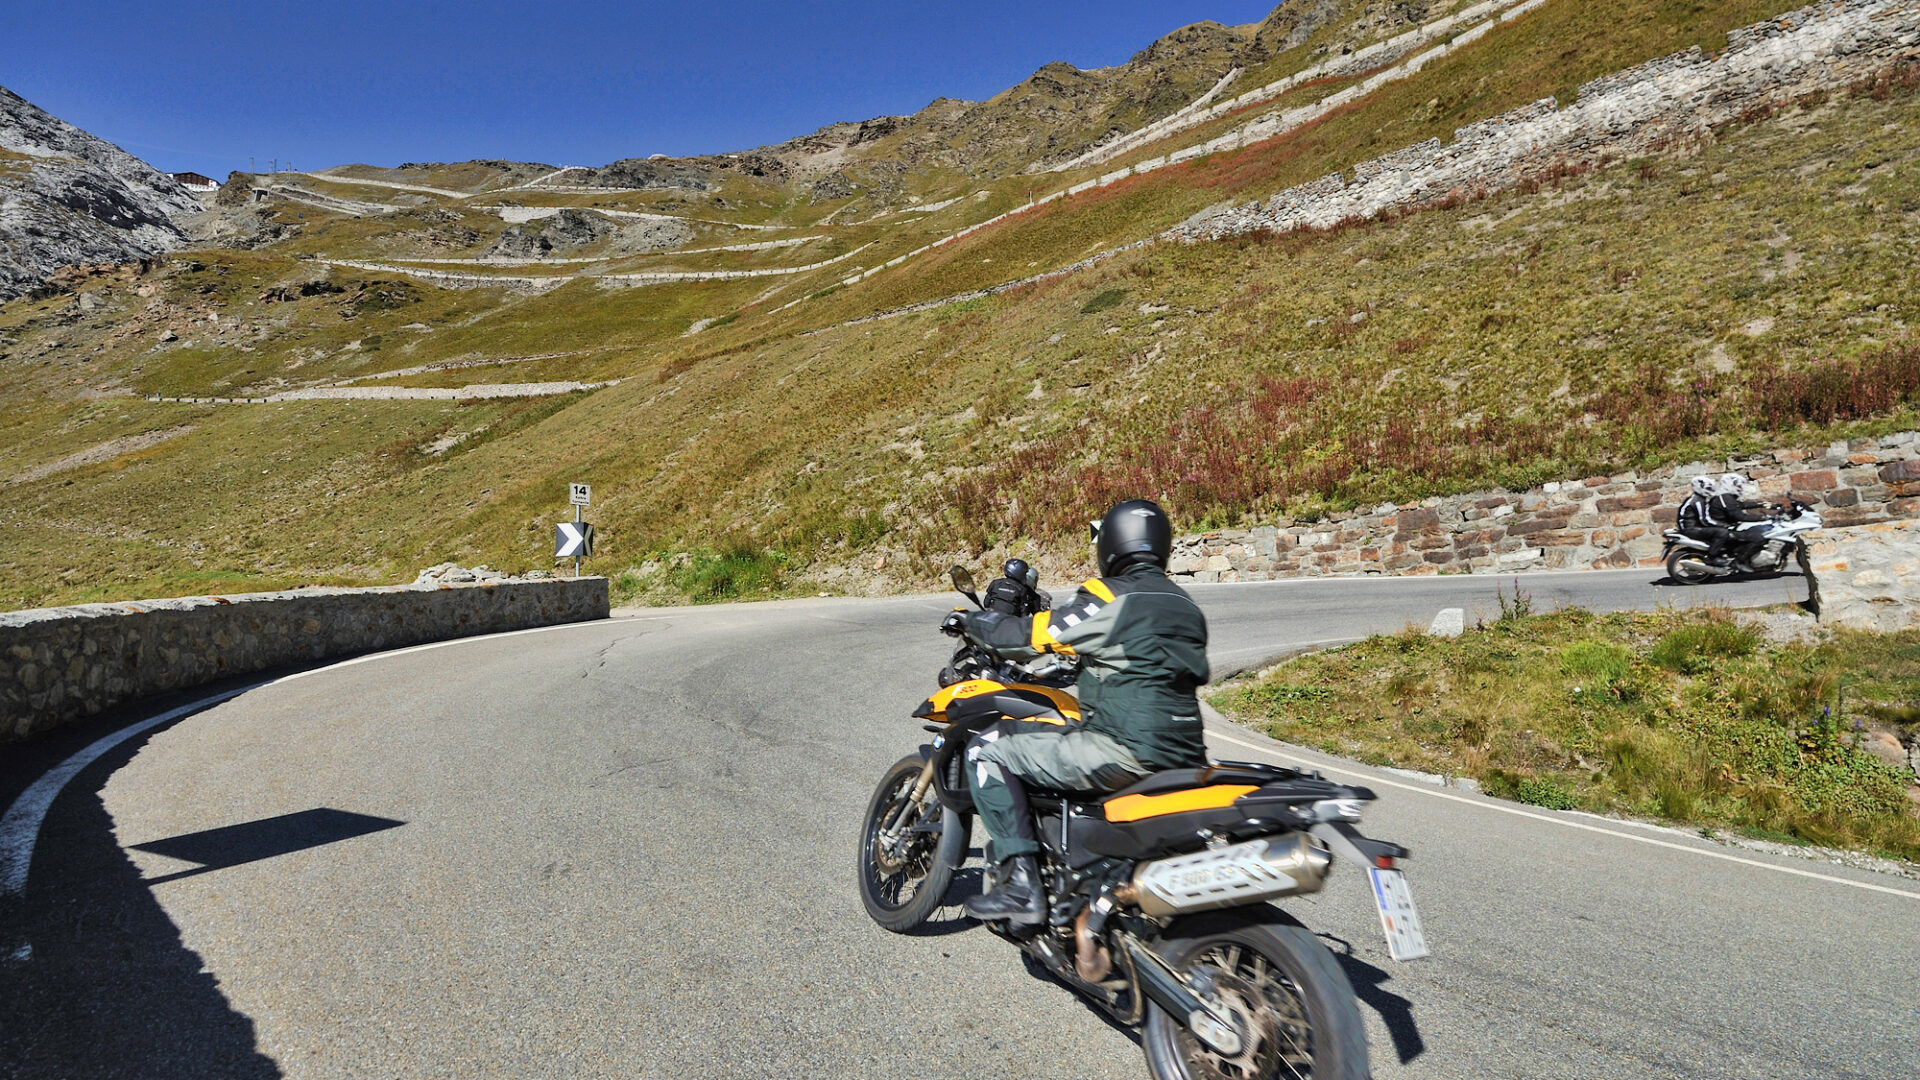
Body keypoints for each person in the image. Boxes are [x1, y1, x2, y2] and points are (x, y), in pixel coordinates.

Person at [946, 498, 1211, 925]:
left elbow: (1029, 634)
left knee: (987, 749)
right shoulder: (1184, 605)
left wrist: (972, 622)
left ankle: (1020, 885)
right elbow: (1137, 667)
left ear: (1111, 545)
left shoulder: (1110, 595)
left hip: (1120, 751)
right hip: (1186, 758)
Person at [1705, 473, 1777, 572]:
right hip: (1724, 530)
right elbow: (1739, 516)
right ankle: (1739, 562)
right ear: (1730, 484)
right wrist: (1763, 517)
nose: (1740, 488)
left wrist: (1762, 504)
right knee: (1758, 538)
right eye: (1738, 486)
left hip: (1725, 528)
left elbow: (1740, 505)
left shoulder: (1725, 497)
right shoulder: (1724, 498)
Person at [1675, 475, 1729, 562]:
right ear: (1700, 488)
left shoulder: (1699, 499)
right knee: (1722, 532)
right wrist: (1723, 525)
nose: (1711, 490)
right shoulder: (1697, 501)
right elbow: (1705, 520)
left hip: (1693, 527)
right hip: (1691, 529)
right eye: (1708, 488)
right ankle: (1712, 557)